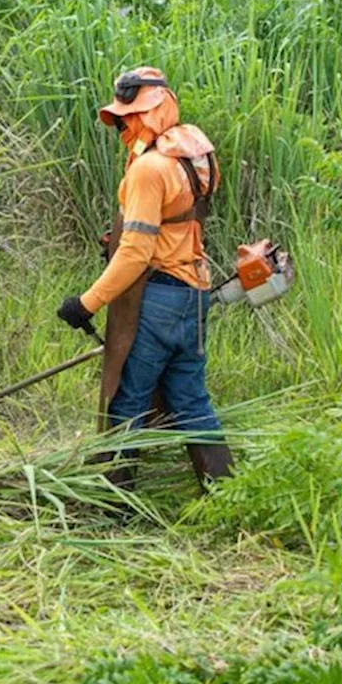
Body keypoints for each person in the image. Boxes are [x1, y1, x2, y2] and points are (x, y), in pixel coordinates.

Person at [56, 67, 233, 490]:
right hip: (193, 293)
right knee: (191, 400)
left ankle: (115, 505)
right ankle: (228, 493)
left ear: (154, 112)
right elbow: (176, 222)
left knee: (127, 400)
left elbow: (136, 252)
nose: (123, 125)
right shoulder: (197, 156)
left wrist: (87, 302)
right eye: (121, 118)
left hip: (155, 299)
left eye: (131, 116)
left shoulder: (149, 169)